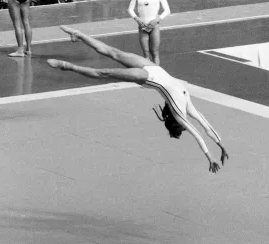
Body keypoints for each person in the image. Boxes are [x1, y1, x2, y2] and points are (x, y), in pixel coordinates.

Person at [47, 26, 229, 173]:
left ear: (177, 124)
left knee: (104, 73)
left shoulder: (179, 114)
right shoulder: (186, 111)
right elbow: (204, 126)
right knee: (114, 52)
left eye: (181, 128)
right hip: (155, 69)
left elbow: (199, 134)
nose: (185, 126)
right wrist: (220, 145)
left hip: (148, 77)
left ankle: (67, 66)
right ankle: (78, 34)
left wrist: (209, 156)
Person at [127, 0, 170, 65]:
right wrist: (137, 19)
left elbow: (167, 11)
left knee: (155, 52)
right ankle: (150, 73)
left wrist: (156, 20)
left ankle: (157, 73)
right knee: (146, 53)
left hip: (154, 26)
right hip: (143, 27)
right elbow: (130, 9)